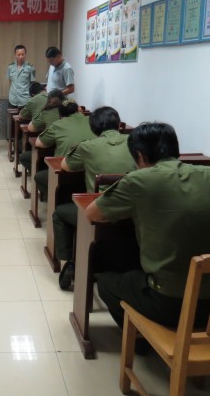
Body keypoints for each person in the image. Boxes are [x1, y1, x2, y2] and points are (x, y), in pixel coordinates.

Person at [85, 122, 210, 329]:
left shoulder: (138, 180)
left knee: (106, 283)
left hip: (172, 305)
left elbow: (92, 213)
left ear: (139, 156)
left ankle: (140, 340)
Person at [53, 107, 135, 290]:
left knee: (60, 213)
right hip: (133, 212)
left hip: (100, 211)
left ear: (93, 128)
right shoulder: (134, 143)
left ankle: (68, 264)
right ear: (118, 124)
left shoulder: (88, 146)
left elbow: (65, 166)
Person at [33, 98, 94, 198]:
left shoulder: (58, 125)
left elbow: (39, 143)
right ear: (79, 109)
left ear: (61, 115)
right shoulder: (92, 121)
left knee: (40, 177)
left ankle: (54, 199)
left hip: (67, 173)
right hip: (91, 174)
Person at [7, 45, 35, 109]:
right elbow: (10, 82)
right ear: (15, 55)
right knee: (11, 115)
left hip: (25, 100)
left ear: (25, 54)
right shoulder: (10, 67)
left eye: (22, 54)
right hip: (13, 100)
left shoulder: (30, 67)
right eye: (18, 55)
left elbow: (32, 84)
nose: (21, 57)